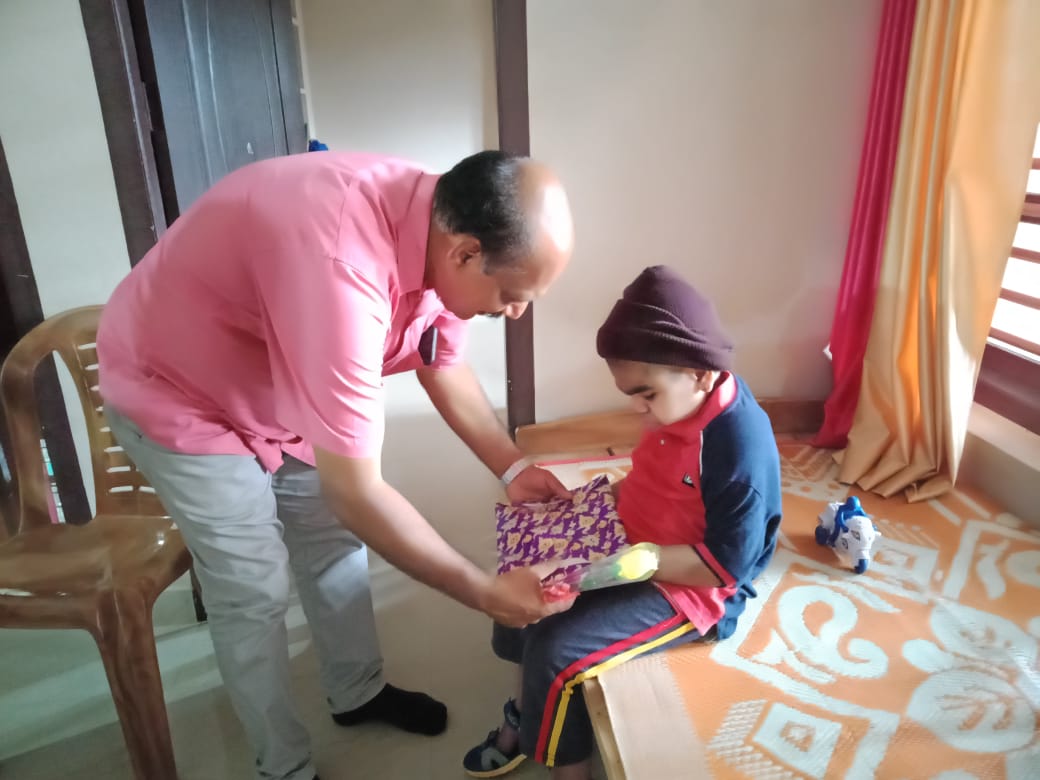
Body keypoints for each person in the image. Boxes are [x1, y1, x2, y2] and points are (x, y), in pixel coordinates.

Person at [96, 150, 577, 780]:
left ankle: (357, 693)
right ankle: (284, 767)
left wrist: (512, 468)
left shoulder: (443, 217)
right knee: (253, 588)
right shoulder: (341, 268)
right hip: (179, 390)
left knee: (332, 540)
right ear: (464, 253)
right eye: (511, 297)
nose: (516, 312)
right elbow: (357, 493)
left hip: (276, 379)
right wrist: (482, 592)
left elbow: (439, 357)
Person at [462, 265, 783, 780]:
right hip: (629, 536)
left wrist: (636, 563)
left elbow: (727, 566)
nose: (638, 410)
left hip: (689, 586)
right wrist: (585, 509)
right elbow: (653, 478)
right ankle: (523, 715)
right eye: (631, 394)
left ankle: (570, 771)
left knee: (558, 651)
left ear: (700, 374)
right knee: (521, 590)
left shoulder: (736, 451)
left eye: (647, 395)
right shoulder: (677, 406)